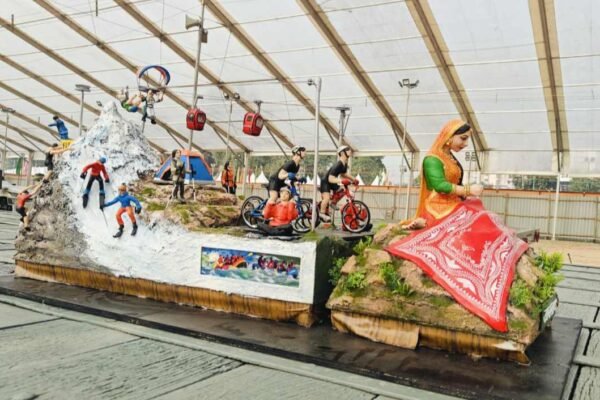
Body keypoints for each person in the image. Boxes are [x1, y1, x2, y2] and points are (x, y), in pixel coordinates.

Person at [387, 120, 528, 332]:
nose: (465, 144)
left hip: (454, 203)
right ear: (448, 136)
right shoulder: (432, 159)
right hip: (439, 206)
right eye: (462, 138)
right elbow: (438, 185)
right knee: (476, 222)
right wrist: (468, 190)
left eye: (467, 139)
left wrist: (466, 194)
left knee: (485, 218)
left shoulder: (450, 157)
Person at [319, 145, 359, 222]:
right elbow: (330, 178)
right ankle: (322, 213)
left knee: (342, 190)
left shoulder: (344, 163)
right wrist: (341, 181)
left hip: (332, 181)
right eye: (347, 149)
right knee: (326, 198)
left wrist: (354, 179)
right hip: (326, 181)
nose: (350, 151)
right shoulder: (338, 164)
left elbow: (344, 174)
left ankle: (333, 203)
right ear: (342, 153)